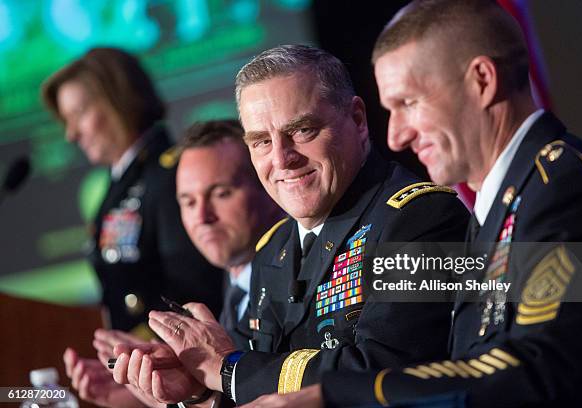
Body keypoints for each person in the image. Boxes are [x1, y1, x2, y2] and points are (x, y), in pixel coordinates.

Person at [242, 1, 582, 407]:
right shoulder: (505, 206)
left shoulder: (570, 188)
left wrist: (329, 395)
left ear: (482, 81)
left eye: (409, 103)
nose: (397, 136)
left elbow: (538, 368)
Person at [112, 44, 470, 406]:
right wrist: (199, 388)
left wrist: (227, 369)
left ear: (358, 120)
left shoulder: (422, 218)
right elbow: (249, 384)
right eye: (262, 142)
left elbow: (385, 372)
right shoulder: (273, 248)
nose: (282, 159)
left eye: (302, 130)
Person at [62, 119, 285, 407]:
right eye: (188, 201)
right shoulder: (230, 289)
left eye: (220, 193)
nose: (202, 217)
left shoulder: (291, 279)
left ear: (268, 188)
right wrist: (148, 395)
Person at [41, 47, 224, 333]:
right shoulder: (122, 180)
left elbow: (193, 289)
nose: (71, 133)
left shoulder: (169, 175)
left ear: (121, 100)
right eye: (67, 120)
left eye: (79, 114)